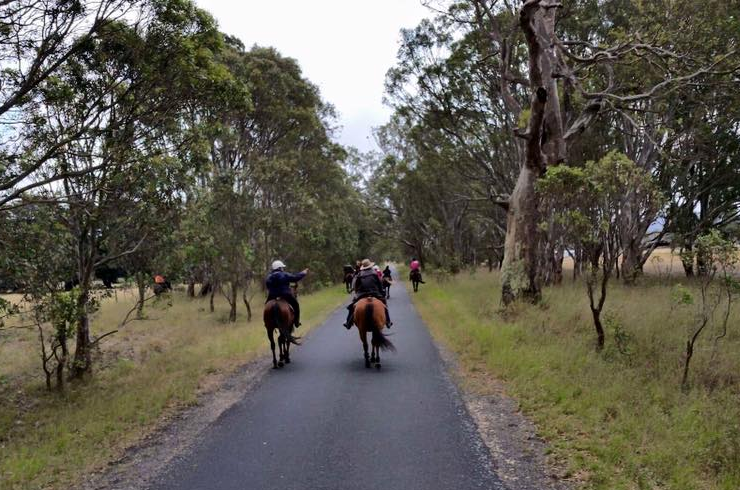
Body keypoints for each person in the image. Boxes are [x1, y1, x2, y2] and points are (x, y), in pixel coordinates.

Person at [344, 259, 392, 330]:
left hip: (362, 294)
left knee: (352, 306)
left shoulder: (359, 274)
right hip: (375, 293)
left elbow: (356, 286)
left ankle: (348, 322)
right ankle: (388, 321)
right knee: (384, 304)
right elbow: (380, 285)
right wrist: (382, 292)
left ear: (363, 266)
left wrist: (357, 293)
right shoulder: (374, 273)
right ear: (370, 266)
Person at [265, 260, 308, 328]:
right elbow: (295, 278)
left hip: (272, 296)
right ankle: (296, 322)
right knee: (296, 305)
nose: (283, 268)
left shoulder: (269, 276)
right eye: (282, 267)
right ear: (279, 268)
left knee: (266, 306)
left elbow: (267, 286)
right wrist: (303, 273)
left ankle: (266, 323)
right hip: (285, 294)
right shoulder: (284, 274)